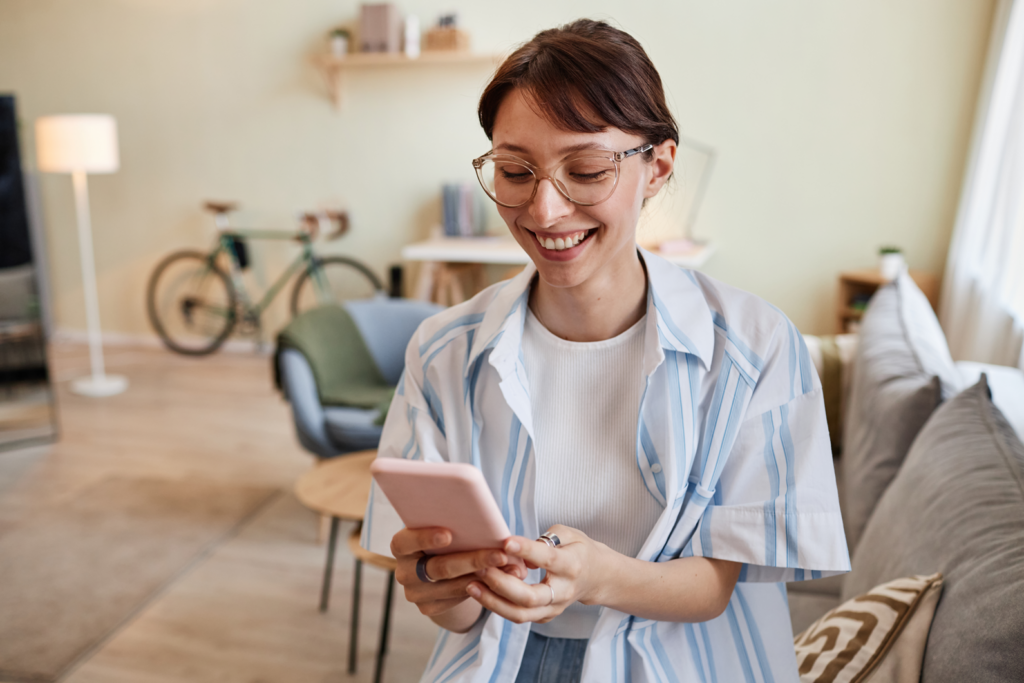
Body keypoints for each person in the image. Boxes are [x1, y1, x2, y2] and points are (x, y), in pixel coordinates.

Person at [362, 19, 850, 682]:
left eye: (586, 170)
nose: (545, 209)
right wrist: (438, 588)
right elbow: (449, 607)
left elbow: (714, 585)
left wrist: (597, 576)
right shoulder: (444, 350)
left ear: (659, 166)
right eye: (514, 171)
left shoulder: (755, 349)